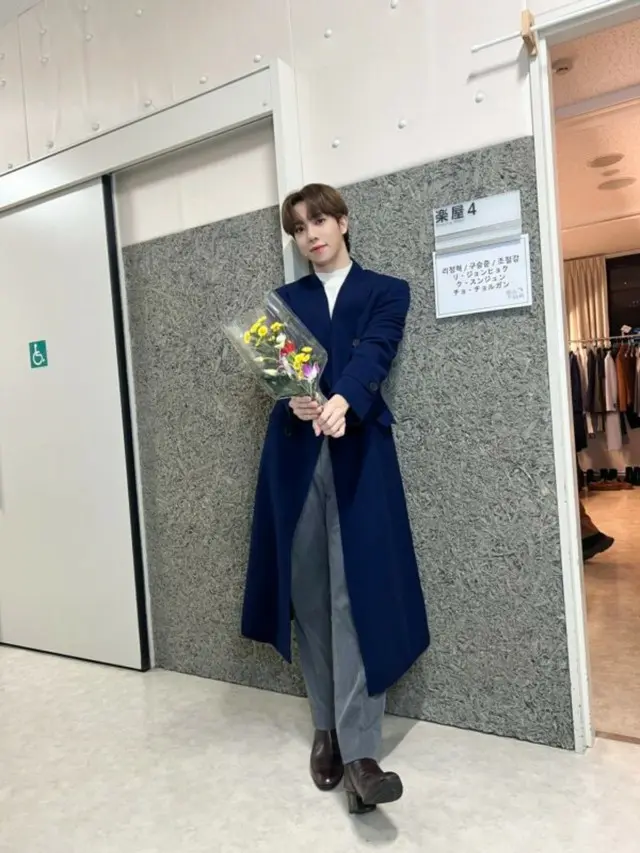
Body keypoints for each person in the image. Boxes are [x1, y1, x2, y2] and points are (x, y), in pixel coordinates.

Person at [241, 183, 430, 814]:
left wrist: (344, 398)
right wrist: (292, 399)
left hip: (359, 458)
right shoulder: (283, 302)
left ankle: (360, 753)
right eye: (299, 228)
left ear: (343, 222)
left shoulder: (385, 290)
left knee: (356, 595)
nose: (311, 234)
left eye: (319, 220)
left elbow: (377, 350)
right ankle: (325, 726)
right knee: (310, 596)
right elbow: (279, 373)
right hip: (295, 461)